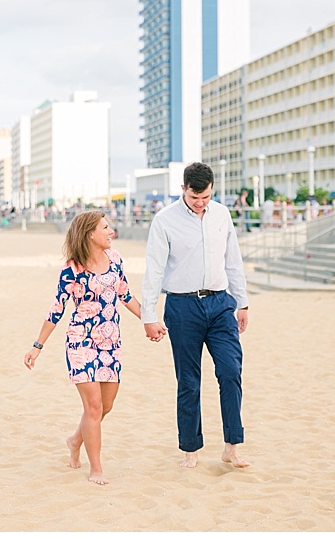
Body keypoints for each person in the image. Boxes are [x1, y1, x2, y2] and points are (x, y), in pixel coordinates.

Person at [139, 162, 250, 469]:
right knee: (188, 381)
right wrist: (149, 315)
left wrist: (242, 302)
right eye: (194, 197)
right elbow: (155, 270)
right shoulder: (164, 221)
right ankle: (191, 449)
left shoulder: (222, 215)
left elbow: (233, 260)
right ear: (183, 189)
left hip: (220, 305)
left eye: (205, 197)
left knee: (230, 371)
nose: (200, 203)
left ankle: (232, 446)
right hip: (182, 307)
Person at [24, 210, 142, 485]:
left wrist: (150, 320)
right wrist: (37, 346)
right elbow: (56, 309)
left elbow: (125, 294)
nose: (111, 231)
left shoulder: (115, 259)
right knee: (93, 406)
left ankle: (74, 441)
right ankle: (96, 468)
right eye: (105, 227)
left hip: (110, 342)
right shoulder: (72, 269)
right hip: (81, 342)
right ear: (91, 234)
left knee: (106, 406)